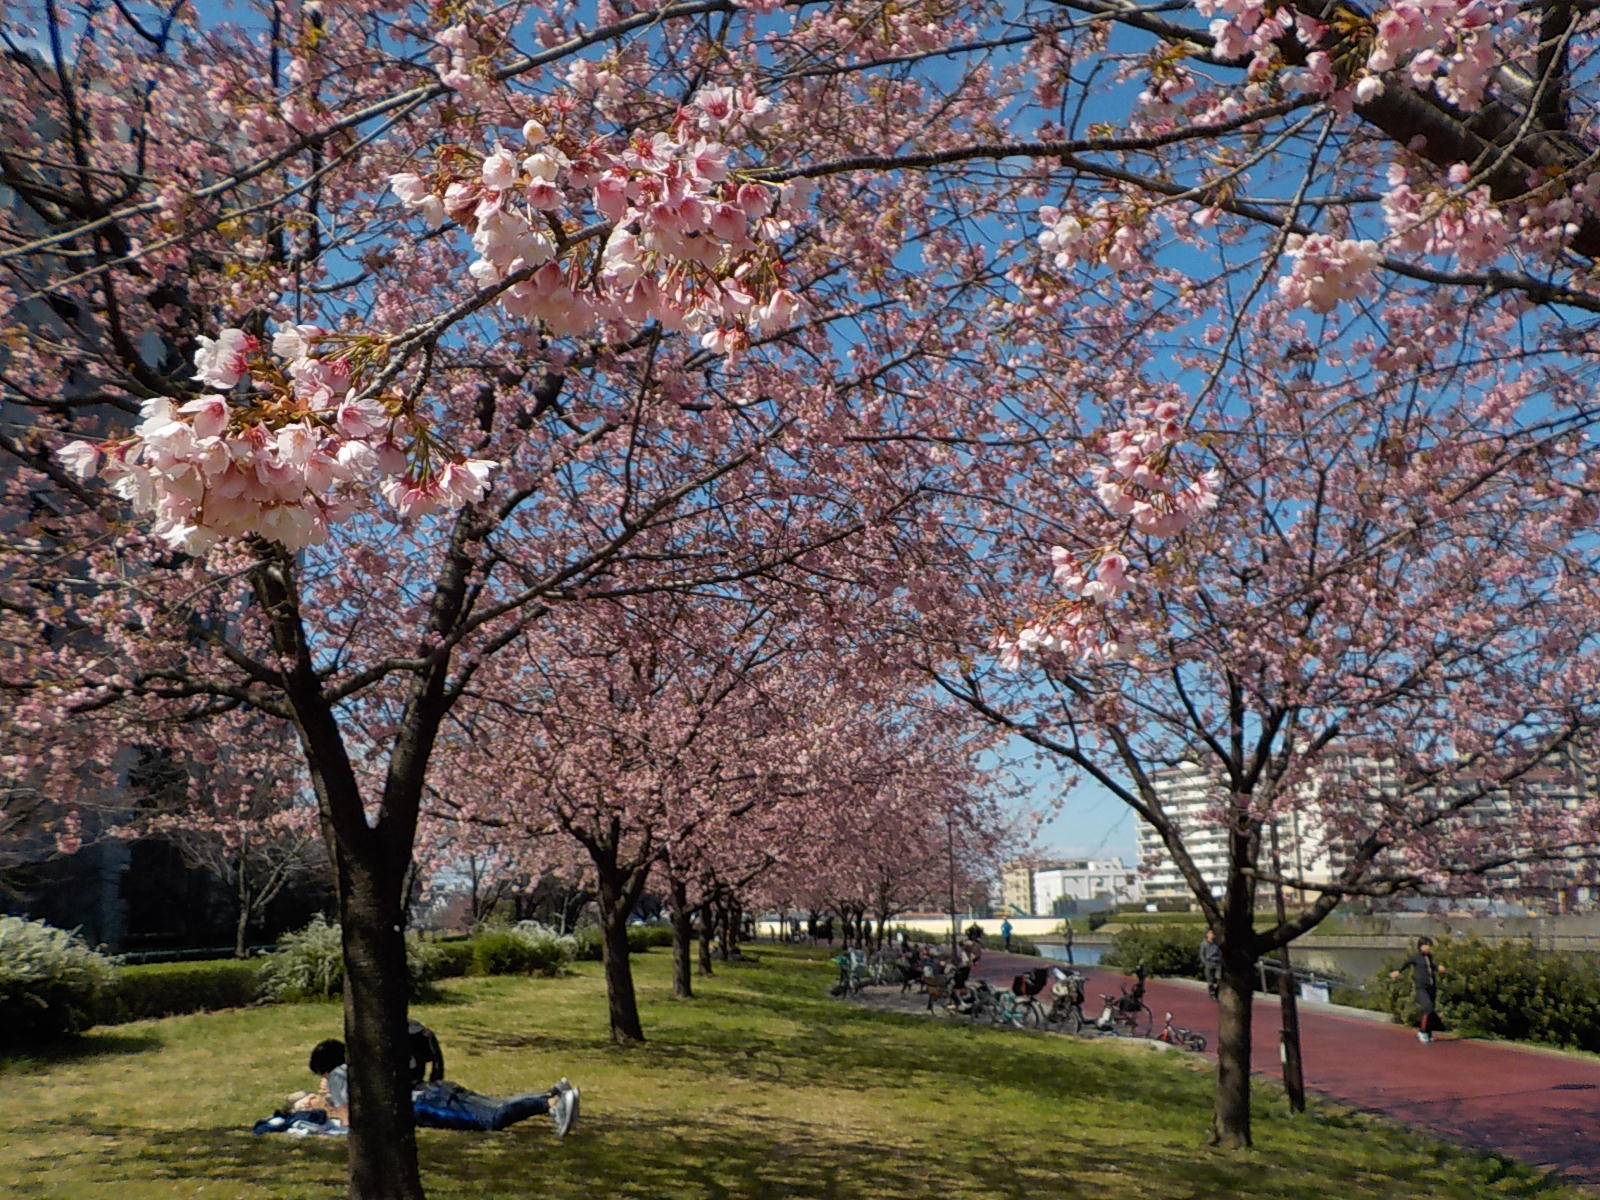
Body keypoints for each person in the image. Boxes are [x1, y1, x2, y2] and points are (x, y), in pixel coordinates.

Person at [301, 1038, 580, 1134]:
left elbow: (352, 1119)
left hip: (424, 1105)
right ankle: (555, 1092)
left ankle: (550, 1104)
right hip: (434, 1089)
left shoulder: (339, 1075)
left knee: (491, 1120)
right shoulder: (362, 1064)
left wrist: (326, 1107)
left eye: (320, 1074)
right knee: (497, 1103)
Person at [1390, 936, 1445, 1043]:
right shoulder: (1416, 957)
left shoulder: (1429, 956)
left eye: (1430, 945)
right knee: (1428, 1007)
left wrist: (1438, 968)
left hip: (1431, 986)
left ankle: (1428, 1033)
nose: (1429, 947)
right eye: (1427, 945)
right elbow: (1406, 963)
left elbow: (1431, 966)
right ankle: (1422, 1031)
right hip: (1421, 987)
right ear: (1421, 946)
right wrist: (1398, 971)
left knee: (1431, 1010)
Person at [1200, 927, 1222, 1000]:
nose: (1212, 935)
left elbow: (1220, 953)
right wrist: (1205, 962)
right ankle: (1212, 993)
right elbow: (1202, 954)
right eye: (1211, 933)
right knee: (1210, 980)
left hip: (1217, 963)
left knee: (1219, 978)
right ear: (1207, 935)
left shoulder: (1217, 944)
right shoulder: (1204, 944)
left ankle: (1217, 991)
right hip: (1209, 963)